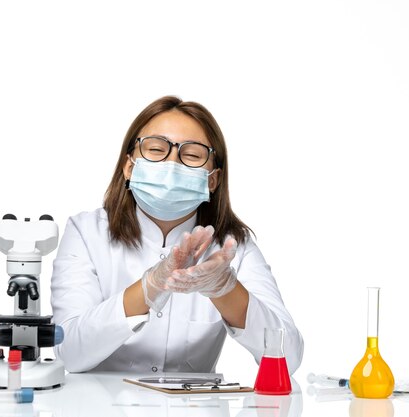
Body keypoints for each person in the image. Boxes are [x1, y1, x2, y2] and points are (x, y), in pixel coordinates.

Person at [51, 96, 303, 374]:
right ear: (129, 167)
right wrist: (149, 288)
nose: (172, 164)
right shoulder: (87, 233)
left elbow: (288, 357)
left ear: (212, 180)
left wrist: (226, 290)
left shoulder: (233, 247)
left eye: (192, 155)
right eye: (156, 150)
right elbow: (69, 354)